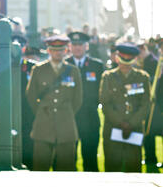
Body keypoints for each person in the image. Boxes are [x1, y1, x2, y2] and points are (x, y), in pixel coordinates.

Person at [26, 35, 83, 171]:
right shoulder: (39, 70)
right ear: (49, 51)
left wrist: (66, 112)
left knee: (66, 166)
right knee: (41, 166)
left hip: (66, 124)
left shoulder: (73, 71)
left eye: (61, 50)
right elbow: (31, 95)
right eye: (54, 50)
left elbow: (78, 98)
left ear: (66, 51)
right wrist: (42, 111)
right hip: (43, 123)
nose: (58, 53)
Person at [99, 43, 151, 173]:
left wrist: (131, 124)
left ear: (134, 59)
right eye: (123, 58)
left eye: (129, 59)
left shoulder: (143, 77)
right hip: (113, 128)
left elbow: (145, 104)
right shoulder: (108, 76)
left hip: (135, 129)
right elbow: (105, 103)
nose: (125, 63)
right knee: (112, 166)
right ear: (117, 58)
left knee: (134, 168)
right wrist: (120, 123)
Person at [66, 31, 105, 172]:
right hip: (70, 119)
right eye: (74, 44)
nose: (77, 48)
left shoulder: (96, 65)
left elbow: (102, 91)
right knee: (68, 160)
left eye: (80, 45)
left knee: (90, 160)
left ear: (86, 46)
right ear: (70, 46)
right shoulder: (64, 65)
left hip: (90, 118)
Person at [137, 40, 163, 171]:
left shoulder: (153, 62)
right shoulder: (156, 62)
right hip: (151, 103)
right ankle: (150, 157)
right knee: (148, 132)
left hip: (159, 104)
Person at [21, 45, 40, 170]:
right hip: (23, 111)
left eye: (33, 57)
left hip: (39, 111)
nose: (30, 59)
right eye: (28, 57)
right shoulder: (22, 70)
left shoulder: (41, 70)